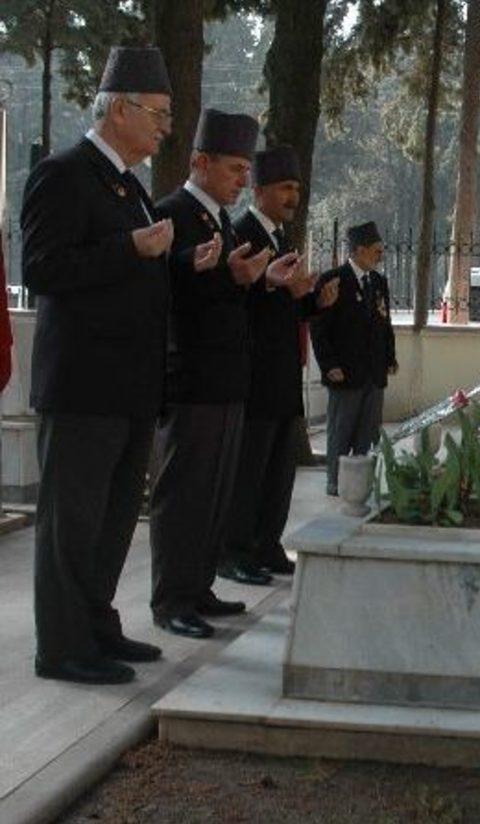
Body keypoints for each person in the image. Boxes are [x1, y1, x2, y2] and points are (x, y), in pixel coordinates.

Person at [20, 47, 173, 684]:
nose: (165, 127)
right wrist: (127, 247)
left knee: (111, 521)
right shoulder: (63, 174)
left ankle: (96, 626)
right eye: (157, 114)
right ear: (118, 110)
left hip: (128, 386)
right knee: (72, 524)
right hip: (83, 385)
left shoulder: (129, 185)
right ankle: (62, 647)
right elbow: (42, 269)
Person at [150, 109, 299, 639]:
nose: (242, 180)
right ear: (200, 162)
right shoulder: (172, 213)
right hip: (192, 380)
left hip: (227, 379)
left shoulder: (220, 220)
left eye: (245, 171)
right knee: (184, 496)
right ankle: (172, 600)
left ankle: (198, 588)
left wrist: (260, 280)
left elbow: (227, 295)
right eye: (235, 169)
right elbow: (163, 292)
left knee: (214, 495)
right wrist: (216, 272)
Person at [223, 147, 337, 577]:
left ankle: (267, 544)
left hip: (283, 375)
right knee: (249, 470)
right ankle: (235, 551)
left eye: (297, 189)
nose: (293, 197)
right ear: (260, 190)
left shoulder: (282, 240)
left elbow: (286, 305)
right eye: (285, 188)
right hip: (254, 375)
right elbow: (236, 302)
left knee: (278, 469)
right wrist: (271, 287)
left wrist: (313, 301)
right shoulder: (242, 234)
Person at [311, 221, 398, 496]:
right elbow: (319, 328)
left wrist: (390, 357)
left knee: (368, 433)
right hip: (345, 373)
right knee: (341, 430)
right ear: (359, 250)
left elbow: (385, 323)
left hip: (374, 372)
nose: (380, 256)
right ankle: (336, 482)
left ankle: (361, 483)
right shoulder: (333, 280)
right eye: (376, 250)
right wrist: (329, 365)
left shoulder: (378, 282)